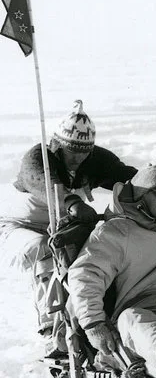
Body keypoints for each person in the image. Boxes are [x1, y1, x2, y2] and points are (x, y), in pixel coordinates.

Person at [0, 100, 137, 355]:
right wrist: (72, 202)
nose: (77, 158)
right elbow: (45, 184)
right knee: (46, 249)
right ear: (58, 145)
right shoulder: (37, 158)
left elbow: (128, 177)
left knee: (96, 253)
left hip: (63, 226)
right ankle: (50, 327)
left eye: (83, 153)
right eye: (71, 152)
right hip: (19, 228)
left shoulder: (95, 159)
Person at [66, 162, 156, 378]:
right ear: (139, 197)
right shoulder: (117, 232)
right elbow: (86, 275)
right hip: (139, 321)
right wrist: (94, 324)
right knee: (134, 319)